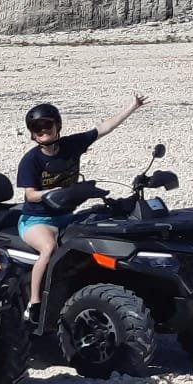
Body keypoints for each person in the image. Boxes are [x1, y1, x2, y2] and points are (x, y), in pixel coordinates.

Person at [14, 93, 148, 327]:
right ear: (32, 133)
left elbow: (103, 128)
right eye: (37, 128)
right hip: (37, 220)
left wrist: (132, 107)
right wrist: (53, 192)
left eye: (48, 125)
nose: (43, 131)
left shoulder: (72, 145)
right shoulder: (31, 160)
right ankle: (34, 305)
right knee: (49, 249)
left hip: (67, 216)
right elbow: (30, 194)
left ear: (58, 126)